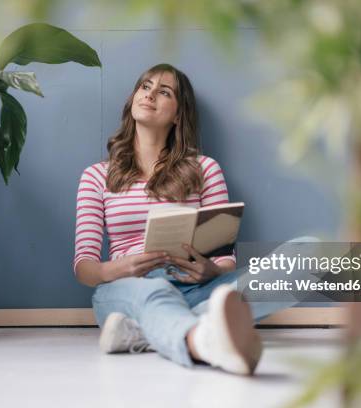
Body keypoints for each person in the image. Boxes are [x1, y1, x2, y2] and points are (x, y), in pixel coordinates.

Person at [73, 63, 308, 375]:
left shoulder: (205, 169)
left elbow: (225, 259)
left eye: (164, 91)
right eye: (145, 86)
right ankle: (202, 341)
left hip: (197, 286)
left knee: (310, 251)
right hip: (130, 287)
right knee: (151, 294)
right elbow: (85, 268)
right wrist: (119, 268)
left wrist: (209, 268)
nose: (150, 94)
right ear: (132, 99)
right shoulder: (96, 176)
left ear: (178, 114)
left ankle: (145, 332)